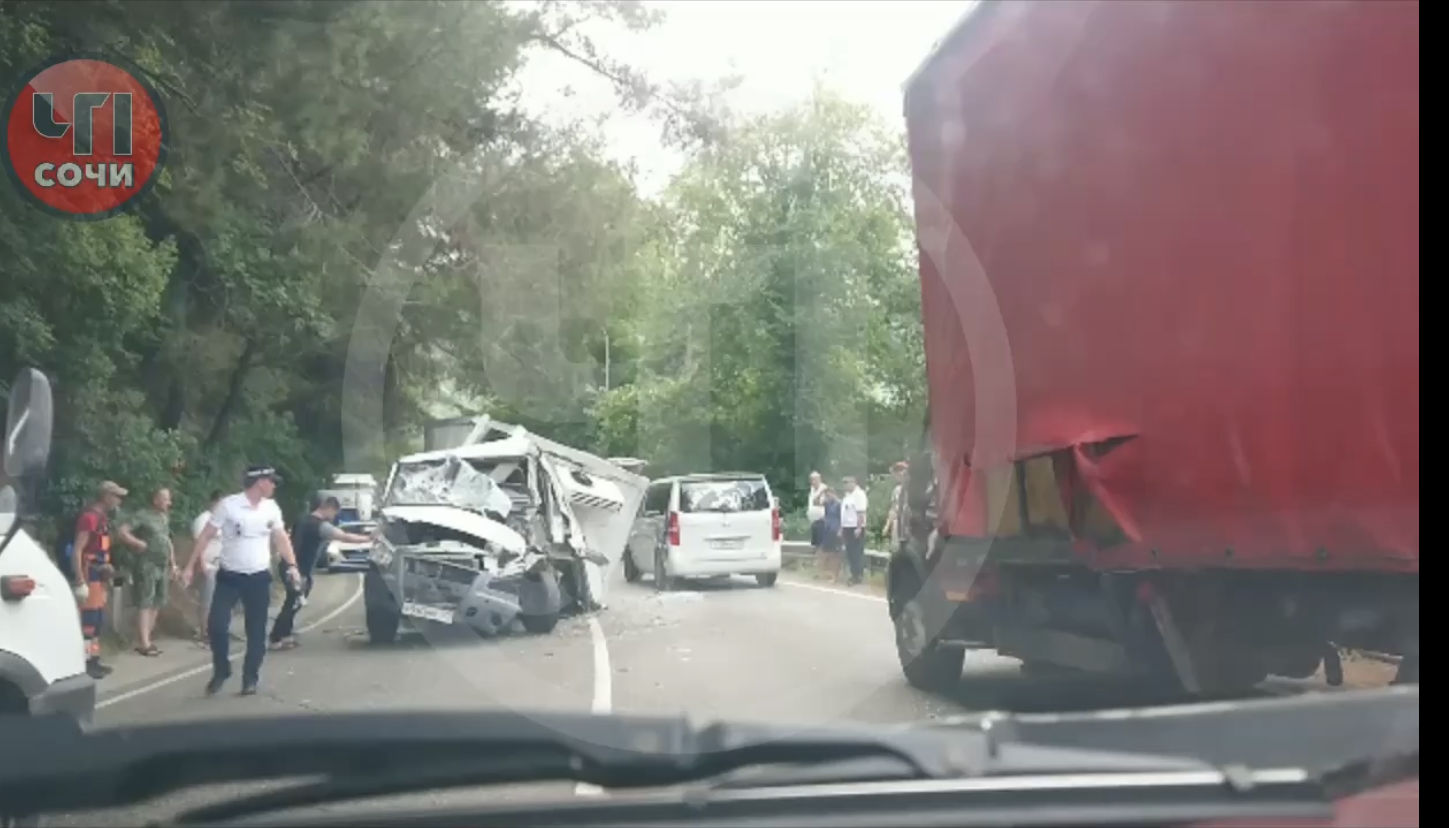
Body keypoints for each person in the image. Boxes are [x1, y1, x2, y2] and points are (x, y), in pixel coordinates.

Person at [182, 465, 302, 696]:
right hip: (229, 576)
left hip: (258, 577)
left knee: (256, 632)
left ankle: (250, 678)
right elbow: (206, 535)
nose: (274, 485)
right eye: (271, 481)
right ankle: (222, 669)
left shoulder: (271, 508)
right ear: (259, 482)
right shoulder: (228, 505)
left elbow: (281, 539)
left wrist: (293, 566)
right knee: (216, 626)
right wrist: (190, 566)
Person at [269, 494, 372, 650]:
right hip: (300, 569)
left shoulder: (302, 520)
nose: (333, 517)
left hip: (288, 565)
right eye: (334, 513)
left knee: (293, 601)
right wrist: (367, 539)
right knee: (293, 603)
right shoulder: (320, 525)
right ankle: (276, 637)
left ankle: (285, 635)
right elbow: (343, 536)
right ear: (329, 508)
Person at [116, 487, 178, 657]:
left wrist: (173, 563)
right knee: (145, 601)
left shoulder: (164, 518)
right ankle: (144, 643)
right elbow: (122, 531)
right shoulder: (143, 515)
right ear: (156, 500)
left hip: (162, 565)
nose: (168, 503)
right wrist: (137, 543)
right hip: (147, 564)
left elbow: (167, 540)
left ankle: (148, 638)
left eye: (169, 499)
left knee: (158, 601)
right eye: (165, 499)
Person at [72, 481, 126, 679]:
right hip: (90, 575)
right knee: (89, 622)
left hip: (100, 575)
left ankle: (94, 660)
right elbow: (78, 550)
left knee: (97, 622)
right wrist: (80, 580)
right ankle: (85, 662)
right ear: (106, 496)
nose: (119, 500)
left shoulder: (101, 518)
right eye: (116, 496)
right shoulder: (89, 518)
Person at [190, 490, 224, 644]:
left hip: (222, 565)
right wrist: (201, 563)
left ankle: (216, 629)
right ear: (213, 502)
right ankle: (203, 631)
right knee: (207, 600)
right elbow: (199, 542)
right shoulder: (203, 520)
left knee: (220, 601)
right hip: (208, 565)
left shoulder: (223, 520)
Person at [839, 476, 869, 586]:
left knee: (856, 552)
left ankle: (857, 575)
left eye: (847, 483)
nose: (845, 485)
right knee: (850, 552)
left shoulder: (859, 494)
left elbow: (861, 512)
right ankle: (854, 573)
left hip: (855, 527)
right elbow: (844, 513)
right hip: (847, 526)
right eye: (844, 483)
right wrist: (842, 528)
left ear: (854, 483)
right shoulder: (847, 496)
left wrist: (859, 527)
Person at [819, 487, 843, 582]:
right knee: (825, 552)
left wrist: (841, 529)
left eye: (829, 495)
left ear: (833, 493)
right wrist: (821, 492)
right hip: (827, 530)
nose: (827, 497)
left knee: (835, 554)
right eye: (826, 496)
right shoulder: (827, 504)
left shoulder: (839, 504)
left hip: (835, 530)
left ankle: (835, 576)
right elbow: (816, 502)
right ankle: (827, 573)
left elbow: (842, 517)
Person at [885, 461, 909, 553]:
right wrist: (887, 525)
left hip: (909, 525)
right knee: (897, 549)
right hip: (898, 523)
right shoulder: (897, 490)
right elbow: (893, 509)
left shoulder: (913, 489)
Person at [806, 471, 827, 558]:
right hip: (814, 521)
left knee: (821, 543)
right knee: (814, 543)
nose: (813, 482)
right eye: (811, 480)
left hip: (821, 520)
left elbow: (819, 503)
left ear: (819, 479)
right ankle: (817, 560)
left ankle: (821, 561)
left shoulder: (824, 489)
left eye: (815, 479)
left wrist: (819, 493)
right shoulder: (812, 489)